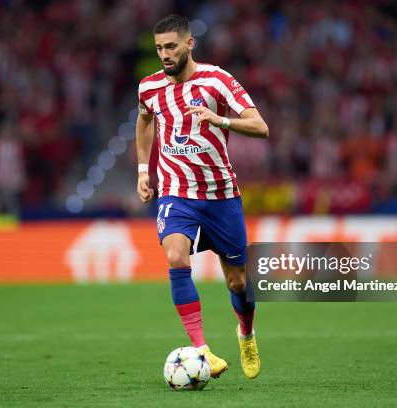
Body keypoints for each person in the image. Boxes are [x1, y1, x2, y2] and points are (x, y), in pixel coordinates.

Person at [135, 14, 269, 380]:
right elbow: (145, 119)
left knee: (238, 282)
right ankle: (202, 350)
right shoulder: (149, 88)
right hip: (176, 193)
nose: (165, 54)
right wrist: (144, 171)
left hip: (221, 195)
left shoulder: (217, 80)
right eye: (159, 47)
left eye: (171, 46)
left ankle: (246, 333)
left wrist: (219, 120)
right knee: (176, 258)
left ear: (189, 44)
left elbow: (261, 126)